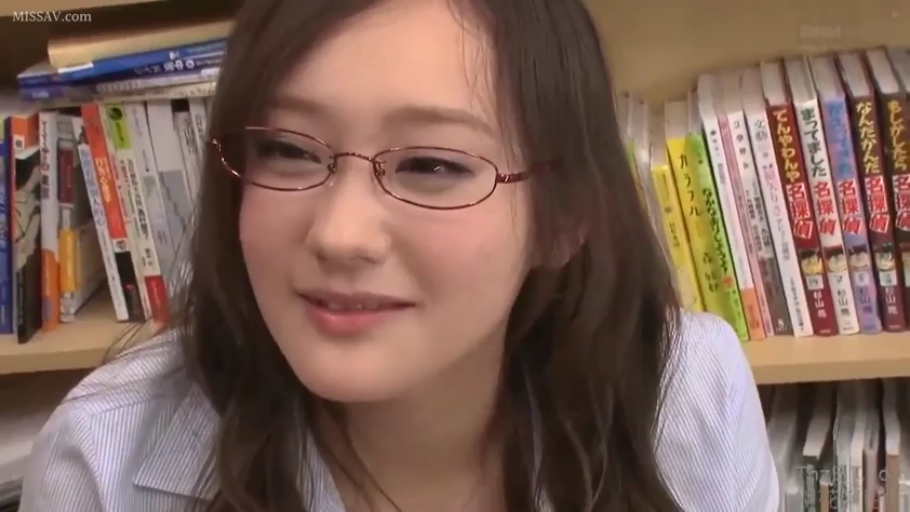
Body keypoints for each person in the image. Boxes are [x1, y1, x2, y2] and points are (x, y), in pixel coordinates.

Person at [20, 0, 778, 510]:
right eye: (287, 150)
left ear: (565, 216)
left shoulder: (688, 395)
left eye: (431, 165)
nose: (340, 235)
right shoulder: (104, 466)